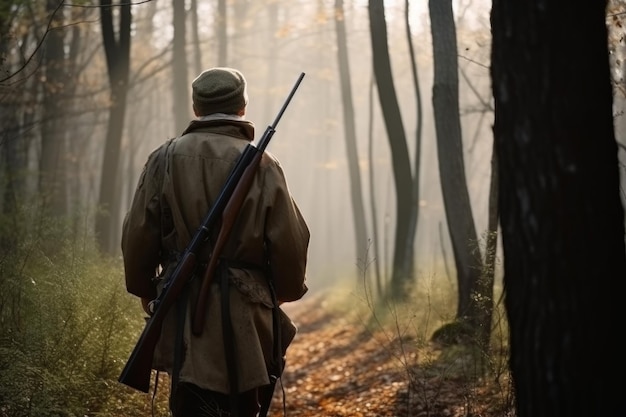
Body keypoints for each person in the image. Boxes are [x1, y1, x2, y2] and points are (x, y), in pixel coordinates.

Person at [121, 67, 310, 416]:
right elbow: (290, 244)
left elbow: (138, 235)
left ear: (196, 108)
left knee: (188, 402)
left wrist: (146, 289)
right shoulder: (263, 165)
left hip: (182, 305)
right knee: (243, 405)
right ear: (241, 107)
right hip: (247, 315)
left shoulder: (163, 158)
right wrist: (280, 293)